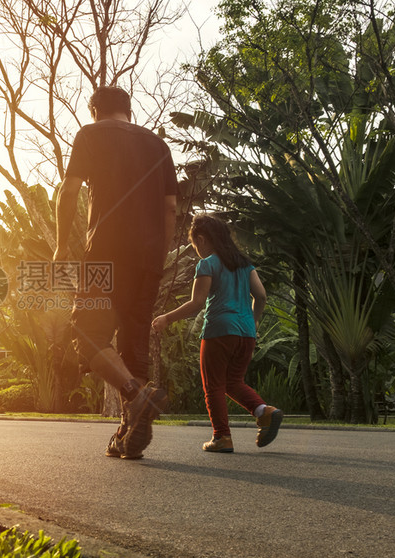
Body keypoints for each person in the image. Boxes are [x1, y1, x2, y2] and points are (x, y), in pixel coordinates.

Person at [54, 86, 178, 459]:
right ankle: (127, 432)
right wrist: (161, 251)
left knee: (87, 333)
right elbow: (171, 206)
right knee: (133, 342)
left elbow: (69, 190)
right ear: (128, 109)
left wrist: (62, 245)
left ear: (95, 110)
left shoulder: (90, 134)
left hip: (104, 255)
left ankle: (134, 396)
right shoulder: (158, 144)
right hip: (149, 259)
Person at [152, 214, 282, 452]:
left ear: (201, 239)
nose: (196, 251)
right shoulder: (244, 263)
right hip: (246, 333)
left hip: (219, 331)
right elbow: (261, 296)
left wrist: (166, 318)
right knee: (232, 382)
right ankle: (265, 411)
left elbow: (197, 303)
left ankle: (222, 437)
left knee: (213, 385)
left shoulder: (208, 263)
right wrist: (253, 323)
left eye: (194, 246)